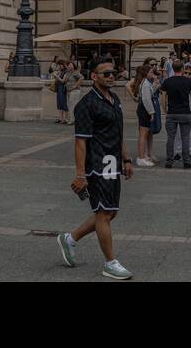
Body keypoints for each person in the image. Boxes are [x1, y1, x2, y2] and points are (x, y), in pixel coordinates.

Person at [57, 56, 133, 280]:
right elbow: (80, 141)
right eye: (106, 73)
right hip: (97, 165)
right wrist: (80, 174)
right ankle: (111, 262)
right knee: (103, 213)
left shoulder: (114, 99)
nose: (111, 76)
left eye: (113, 73)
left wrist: (126, 159)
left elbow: (119, 132)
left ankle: (69, 239)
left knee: (111, 212)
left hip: (112, 163)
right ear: (93, 76)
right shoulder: (87, 104)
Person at [160, 63, 191, 168]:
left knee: (170, 138)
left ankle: (169, 160)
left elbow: (163, 97)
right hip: (185, 112)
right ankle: (186, 161)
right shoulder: (188, 81)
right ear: (182, 69)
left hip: (172, 112)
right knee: (185, 137)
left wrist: (165, 110)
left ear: (172, 69)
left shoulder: (167, 81)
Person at [127, 66, 156, 167]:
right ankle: (141, 157)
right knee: (143, 135)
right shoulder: (145, 84)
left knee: (143, 134)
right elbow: (147, 99)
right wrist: (151, 112)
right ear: (145, 73)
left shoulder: (144, 82)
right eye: (151, 72)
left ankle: (142, 156)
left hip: (142, 109)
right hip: (144, 110)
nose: (153, 73)